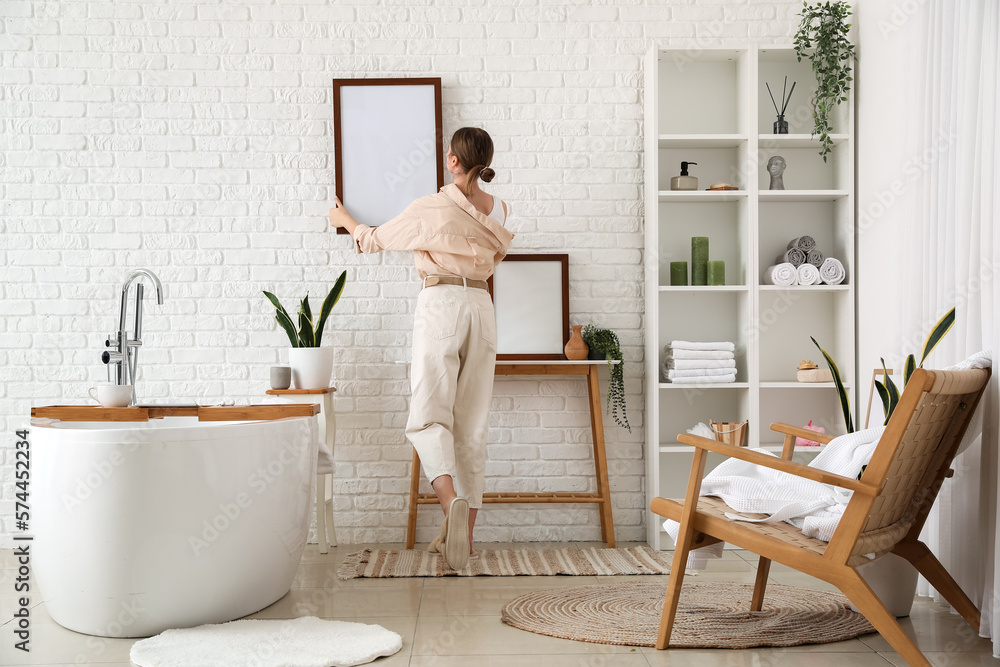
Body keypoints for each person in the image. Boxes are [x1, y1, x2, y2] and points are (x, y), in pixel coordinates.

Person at [328, 127, 514, 571]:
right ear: (484, 162)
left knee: (428, 415)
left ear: (453, 161)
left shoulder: (430, 207)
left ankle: (450, 505)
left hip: (442, 304)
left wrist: (345, 222)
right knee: (472, 425)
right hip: (483, 307)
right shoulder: (500, 208)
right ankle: (463, 542)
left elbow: (376, 239)